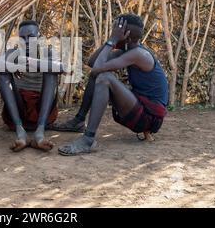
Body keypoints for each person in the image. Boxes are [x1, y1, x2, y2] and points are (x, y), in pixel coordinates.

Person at [57, 13, 168, 156]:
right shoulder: (128, 50)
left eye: (116, 29)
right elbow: (92, 63)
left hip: (148, 118)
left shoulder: (139, 54)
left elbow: (98, 67)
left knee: (105, 78)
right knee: (96, 75)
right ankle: (78, 120)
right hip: (141, 108)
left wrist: (112, 39)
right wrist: (112, 41)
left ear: (126, 34)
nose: (113, 31)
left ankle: (88, 139)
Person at [0, 20, 63, 152]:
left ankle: (40, 132)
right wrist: (15, 66)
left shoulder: (48, 52)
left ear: (39, 37)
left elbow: (61, 67)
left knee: (51, 71)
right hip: (19, 110)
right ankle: (21, 132)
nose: (26, 41)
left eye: (30, 37)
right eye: (22, 38)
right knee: (2, 72)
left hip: (42, 109)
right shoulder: (13, 53)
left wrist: (33, 62)